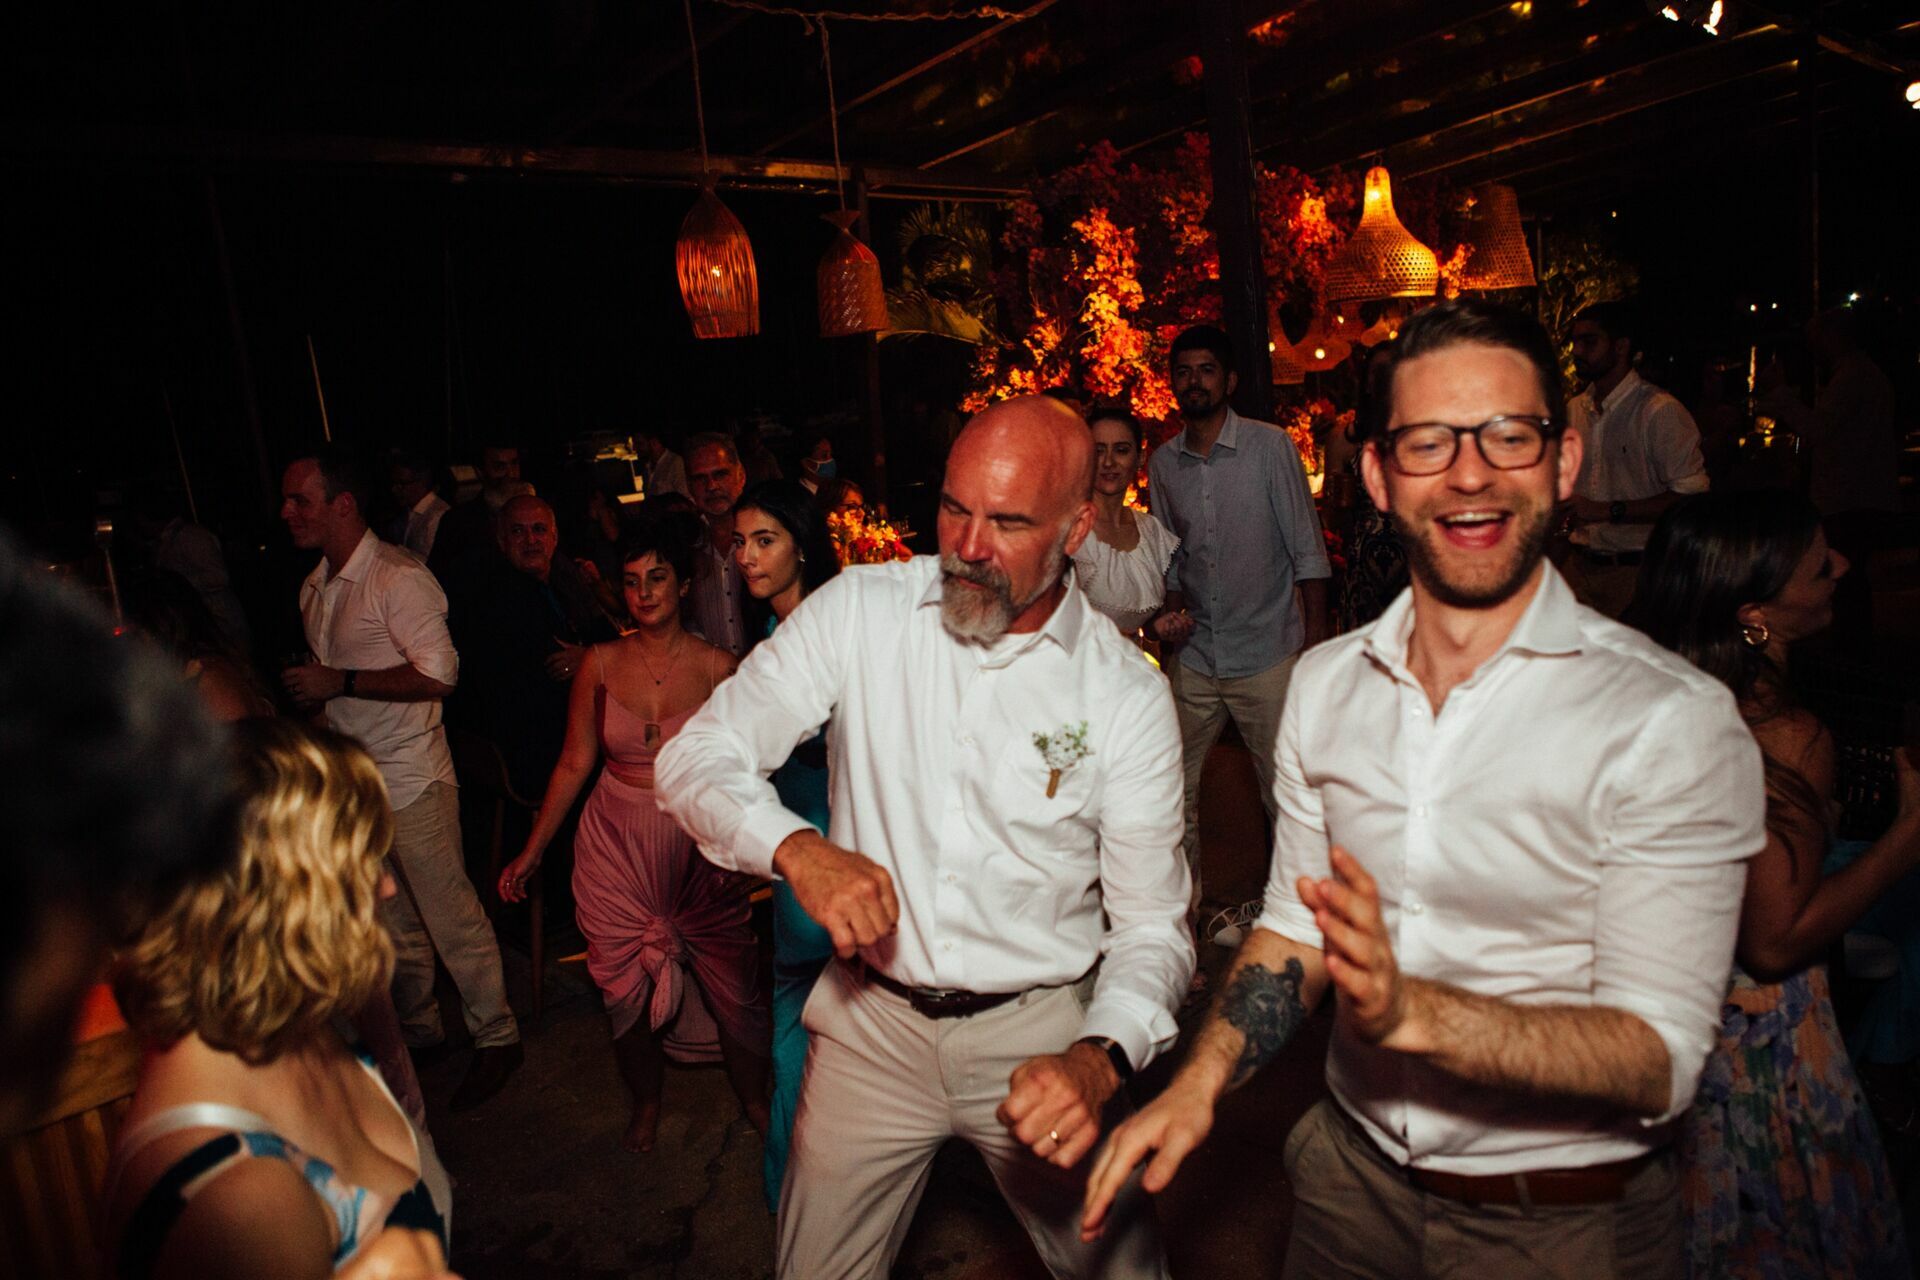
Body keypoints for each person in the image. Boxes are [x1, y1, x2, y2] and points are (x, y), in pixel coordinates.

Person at [1085, 300, 1766, 1278]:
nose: (1471, 472)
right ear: (1377, 474)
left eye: (1509, 436)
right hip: (1345, 1188)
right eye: (1428, 441)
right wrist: (1200, 1083)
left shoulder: (1670, 720)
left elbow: (1659, 1055)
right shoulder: (1326, 685)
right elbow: (1294, 925)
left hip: (1559, 1223)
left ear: (1564, 462)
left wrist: (1418, 1014)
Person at [657, 395, 1193, 1279]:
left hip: (1040, 1033)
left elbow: (1150, 930)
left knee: (1123, 1268)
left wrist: (1101, 1058)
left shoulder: (1125, 698)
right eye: (954, 508)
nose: (968, 547)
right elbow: (697, 758)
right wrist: (797, 848)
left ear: (1076, 526)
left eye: (1007, 522)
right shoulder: (861, 611)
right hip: (871, 1028)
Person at [1625, 491, 1913, 1278]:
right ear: (1755, 614)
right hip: (1760, 1046)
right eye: (1820, 565)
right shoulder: (1781, 736)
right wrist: (1905, 840)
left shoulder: (1648, 703)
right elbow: (1776, 938)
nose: (1843, 569)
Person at [104, 719, 453, 1279]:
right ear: (279, 897)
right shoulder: (233, 1198)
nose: (386, 886)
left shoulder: (297, 1024)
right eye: (362, 860)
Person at [497, 521, 768, 1154]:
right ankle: (645, 1103)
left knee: (733, 983)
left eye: (658, 578)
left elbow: (745, 773)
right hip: (614, 845)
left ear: (684, 585)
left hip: (692, 849)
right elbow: (573, 763)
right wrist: (532, 850)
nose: (644, 593)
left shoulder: (719, 668)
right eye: (631, 581)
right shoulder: (597, 662)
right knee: (621, 988)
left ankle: (755, 1098)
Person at [279, 448, 522, 1112]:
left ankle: (498, 1036)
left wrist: (341, 682)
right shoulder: (315, 587)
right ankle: (423, 1035)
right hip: (359, 784)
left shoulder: (396, 578)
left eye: (301, 500)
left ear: (342, 504)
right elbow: (336, 693)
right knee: (393, 921)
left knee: (450, 916)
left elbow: (441, 674)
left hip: (413, 777)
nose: (287, 512)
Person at [1147, 325, 1331, 912]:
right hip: (1197, 656)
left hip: (1268, 651)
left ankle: (1299, 924)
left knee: (1287, 798)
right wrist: (1169, 626)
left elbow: (1309, 553)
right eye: (1183, 370)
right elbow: (1169, 560)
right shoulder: (1162, 463)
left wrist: (1315, 653)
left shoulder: (1270, 447)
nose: (1193, 381)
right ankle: (1184, 923)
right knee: (1169, 794)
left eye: (1205, 370)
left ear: (1228, 380)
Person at [729, 479, 840, 1211]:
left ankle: (813, 1205)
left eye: (763, 539)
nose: (745, 556)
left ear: (801, 543)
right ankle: (802, 1203)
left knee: (815, 1039)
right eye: (738, 542)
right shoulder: (775, 638)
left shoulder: (824, 635)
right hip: (799, 850)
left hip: (837, 847)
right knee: (800, 1035)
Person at [447, 494, 617, 800]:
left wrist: (590, 656)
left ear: (554, 537)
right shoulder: (499, 595)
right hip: (533, 753)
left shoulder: (563, 579)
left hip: (561, 737)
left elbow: (605, 638)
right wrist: (597, 657)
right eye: (518, 531)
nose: (530, 540)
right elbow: (557, 668)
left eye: (539, 530)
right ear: (501, 540)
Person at [1757, 306, 1901, 648]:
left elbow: (1818, 428)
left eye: (1816, 340)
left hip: (1851, 496)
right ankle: (1853, 644)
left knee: (1845, 575)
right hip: (1856, 494)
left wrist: (1779, 393)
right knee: (1850, 576)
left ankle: (1851, 647)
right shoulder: (1859, 374)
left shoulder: (1853, 377)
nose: (1812, 349)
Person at [1561, 300, 1710, 617]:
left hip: (1639, 572)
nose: (1577, 351)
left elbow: (1692, 501)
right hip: (1580, 567)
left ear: (1621, 347)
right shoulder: (1575, 409)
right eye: (1574, 342)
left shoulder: (1659, 411)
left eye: (1589, 341)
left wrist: (1606, 510)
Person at [1070, 407, 1188, 642]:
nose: (1108, 462)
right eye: (1098, 451)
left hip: (1128, 669)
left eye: (1121, 450)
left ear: (1140, 458)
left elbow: (1147, 624)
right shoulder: (1068, 529)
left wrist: (1162, 627)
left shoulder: (1150, 531)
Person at [123, 570, 275, 721]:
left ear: (160, 630)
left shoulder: (209, 681)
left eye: (137, 634)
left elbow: (236, 739)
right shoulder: (192, 676)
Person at [683, 432, 751, 657]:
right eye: (700, 478)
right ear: (689, 487)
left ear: (741, 476)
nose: (711, 486)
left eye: (720, 474)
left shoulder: (769, 542)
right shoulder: (685, 548)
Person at [429, 441, 533, 581]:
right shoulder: (458, 522)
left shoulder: (537, 512)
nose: (511, 474)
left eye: (514, 463)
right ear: (480, 471)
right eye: (499, 466)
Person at [389, 449, 451, 563]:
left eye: (402, 484)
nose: (395, 489)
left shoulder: (437, 517)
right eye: (394, 483)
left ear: (421, 482)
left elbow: (435, 563)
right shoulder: (405, 513)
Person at [637, 428, 690, 503]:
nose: (635, 448)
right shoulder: (646, 468)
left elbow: (685, 498)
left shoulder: (675, 463)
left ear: (653, 442)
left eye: (639, 443)